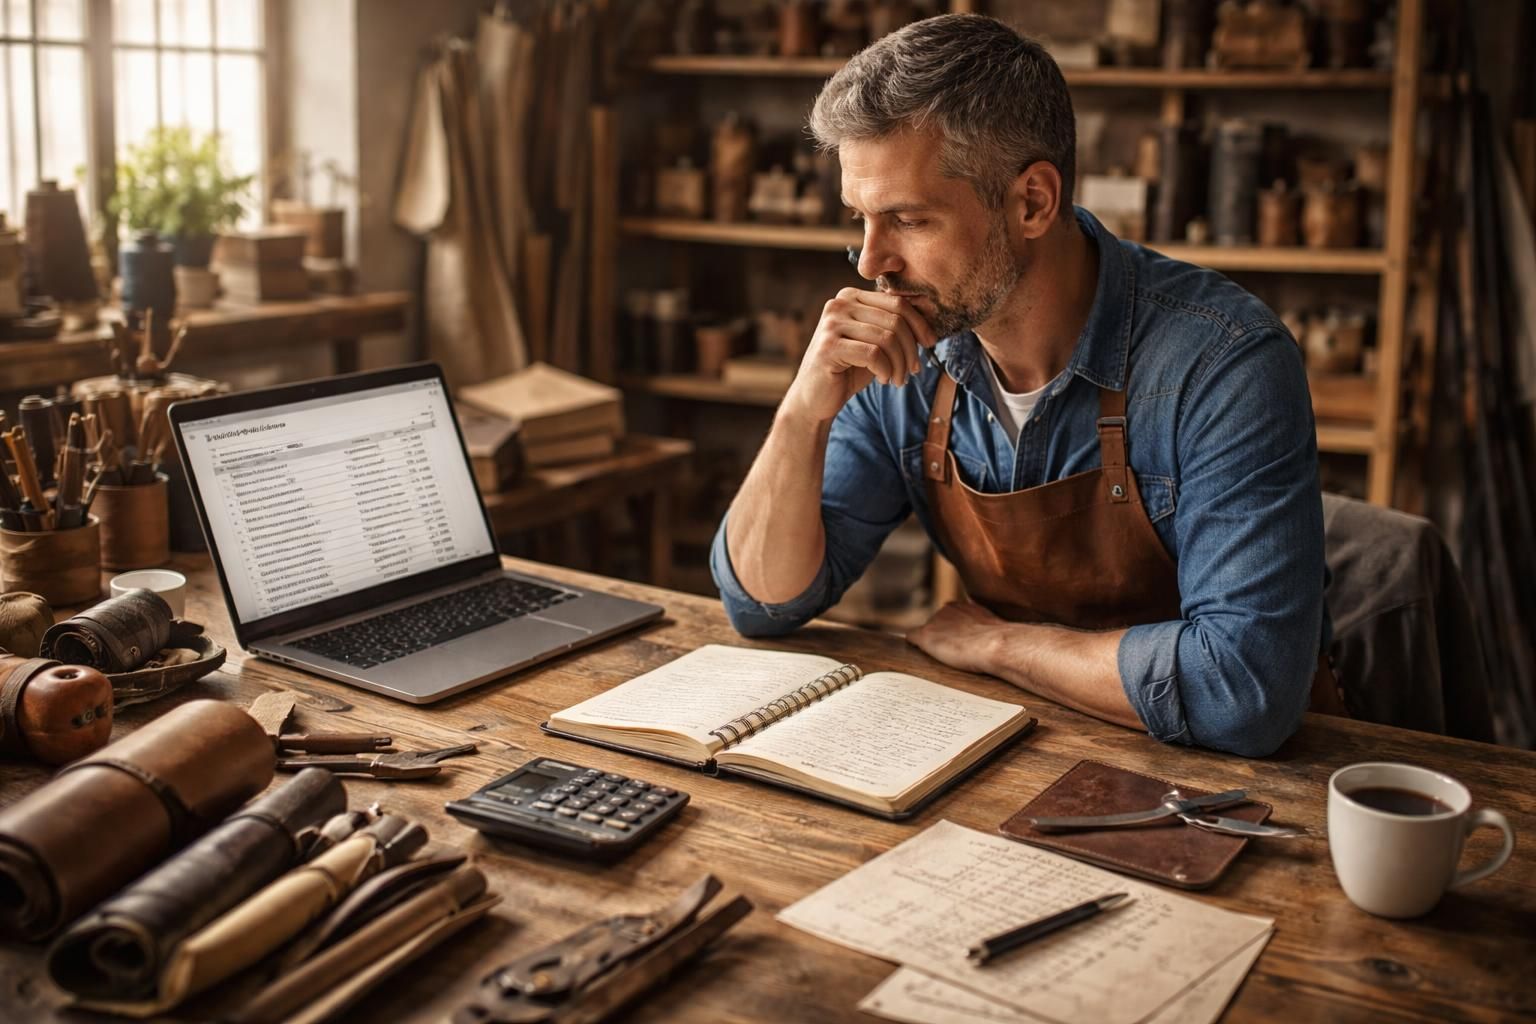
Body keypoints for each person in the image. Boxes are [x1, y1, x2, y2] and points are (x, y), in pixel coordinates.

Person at [709, 13, 1332, 758]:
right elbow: (763, 603)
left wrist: (1004, 646)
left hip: (1227, 787)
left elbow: (1243, 693)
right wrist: (802, 413)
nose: (872, 263)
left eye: (907, 219)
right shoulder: (907, 346)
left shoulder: (1224, 364)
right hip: (1020, 747)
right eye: (861, 220)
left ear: (1033, 201)